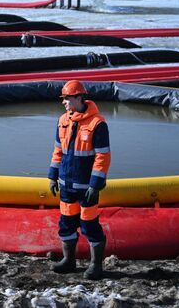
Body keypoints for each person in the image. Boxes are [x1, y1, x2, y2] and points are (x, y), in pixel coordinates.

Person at [48, 80, 111, 279]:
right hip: (67, 186)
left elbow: (103, 157)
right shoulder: (62, 121)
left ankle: (96, 265)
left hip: (86, 188)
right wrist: (52, 176)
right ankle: (69, 261)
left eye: (67, 98)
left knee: (89, 225)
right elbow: (58, 151)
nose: (64, 102)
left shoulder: (97, 124)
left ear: (78, 98)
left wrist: (95, 185)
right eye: (63, 99)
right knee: (66, 224)